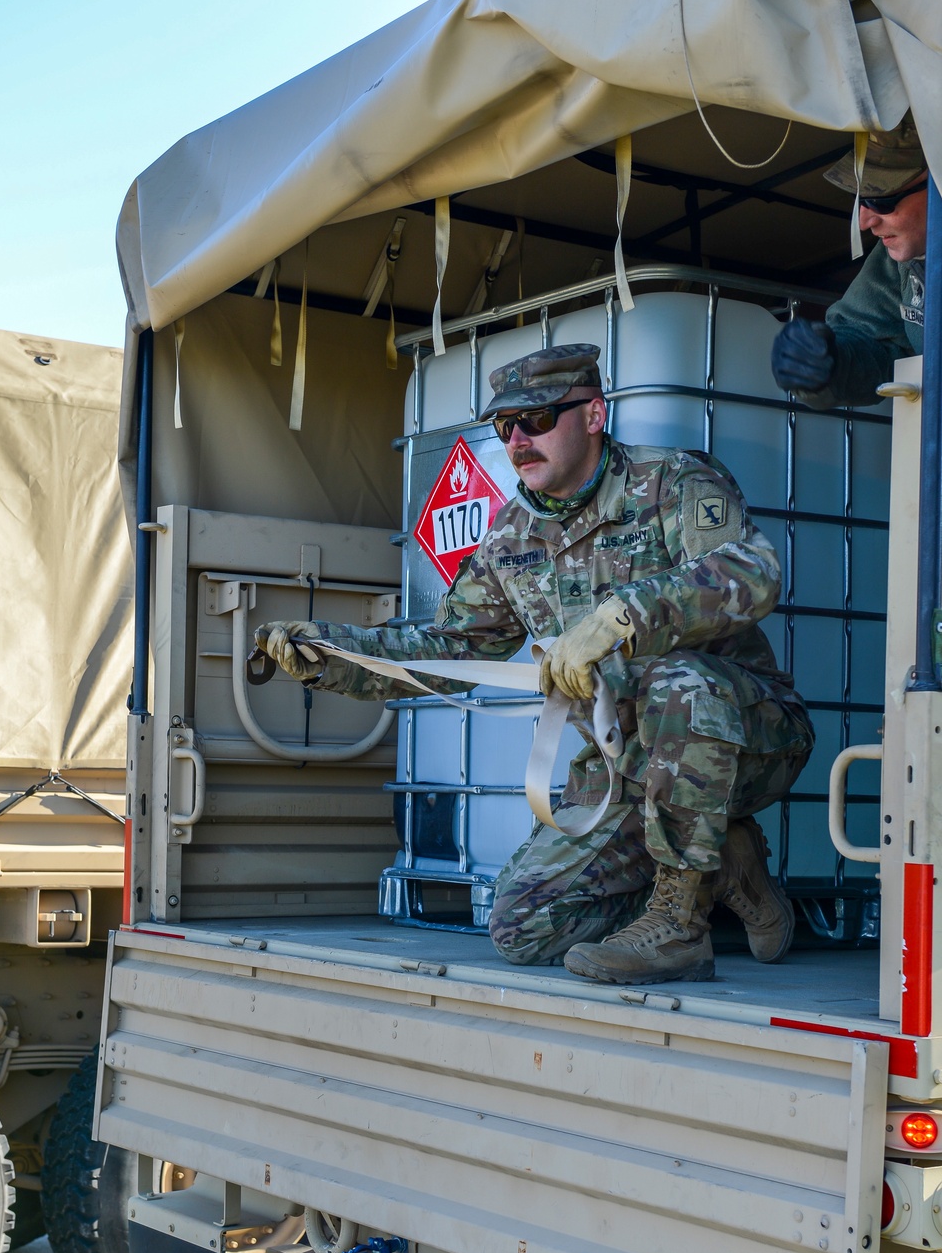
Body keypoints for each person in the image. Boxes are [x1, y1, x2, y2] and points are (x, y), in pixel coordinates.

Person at [256, 345, 814, 984]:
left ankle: (679, 927)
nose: (518, 439)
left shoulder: (672, 482)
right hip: (625, 767)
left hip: (747, 739)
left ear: (595, 414)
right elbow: (455, 651)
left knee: (676, 682)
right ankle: (721, 866)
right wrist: (332, 655)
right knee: (523, 925)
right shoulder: (510, 537)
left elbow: (755, 572)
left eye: (540, 418)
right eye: (505, 427)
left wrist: (621, 618)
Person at [771, 115, 927, 408]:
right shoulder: (899, 262)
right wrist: (829, 364)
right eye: (860, 201)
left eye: (882, 200)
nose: (865, 221)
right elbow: (874, 341)